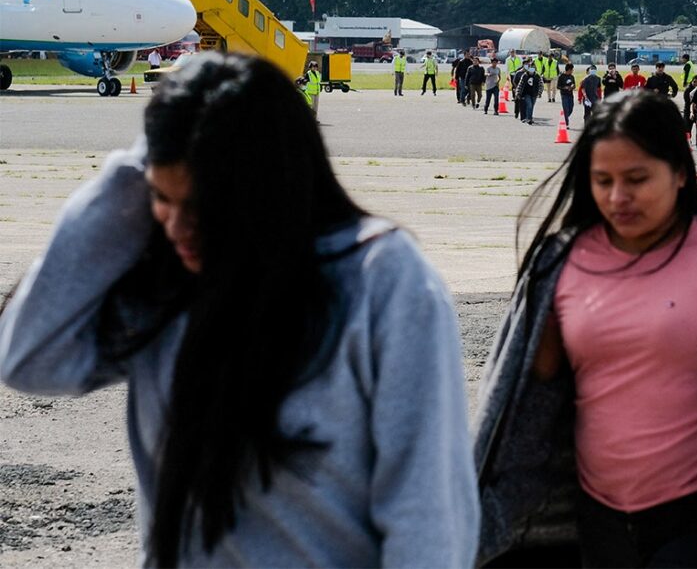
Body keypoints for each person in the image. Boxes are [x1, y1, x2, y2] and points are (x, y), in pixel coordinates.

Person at [0, 52, 479, 567]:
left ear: (266, 187)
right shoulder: (170, 286)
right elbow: (28, 359)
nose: (179, 229)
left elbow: (428, 512)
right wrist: (139, 160)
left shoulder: (378, 278)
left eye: (203, 207)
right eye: (160, 199)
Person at [473, 89, 697, 568]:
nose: (618, 197)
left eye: (637, 179)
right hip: (595, 520)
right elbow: (518, 405)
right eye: (602, 180)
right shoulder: (558, 264)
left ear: (680, 172)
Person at [515, 61, 541, 125]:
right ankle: (529, 119)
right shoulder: (525, 75)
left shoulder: (537, 76)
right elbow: (520, 84)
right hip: (526, 93)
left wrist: (539, 93)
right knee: (529, 105)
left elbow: (541, 85)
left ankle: (529, 117)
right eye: (530, 68)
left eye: (533, 68)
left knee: (532, 106)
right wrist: (518, 92)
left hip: (534, 93)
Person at [557, 63, 577, 128]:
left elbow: (574, 85)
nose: (572, 71)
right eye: (572, 70)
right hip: (564, 95)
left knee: (570, 109)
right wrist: (564, 87)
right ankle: (566, 123)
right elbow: (558, 86)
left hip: (570, 95)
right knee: (566, 109)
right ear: (569, 69)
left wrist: (572, 86)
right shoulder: (561, 76)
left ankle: (564, 117)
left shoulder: (572, 77)